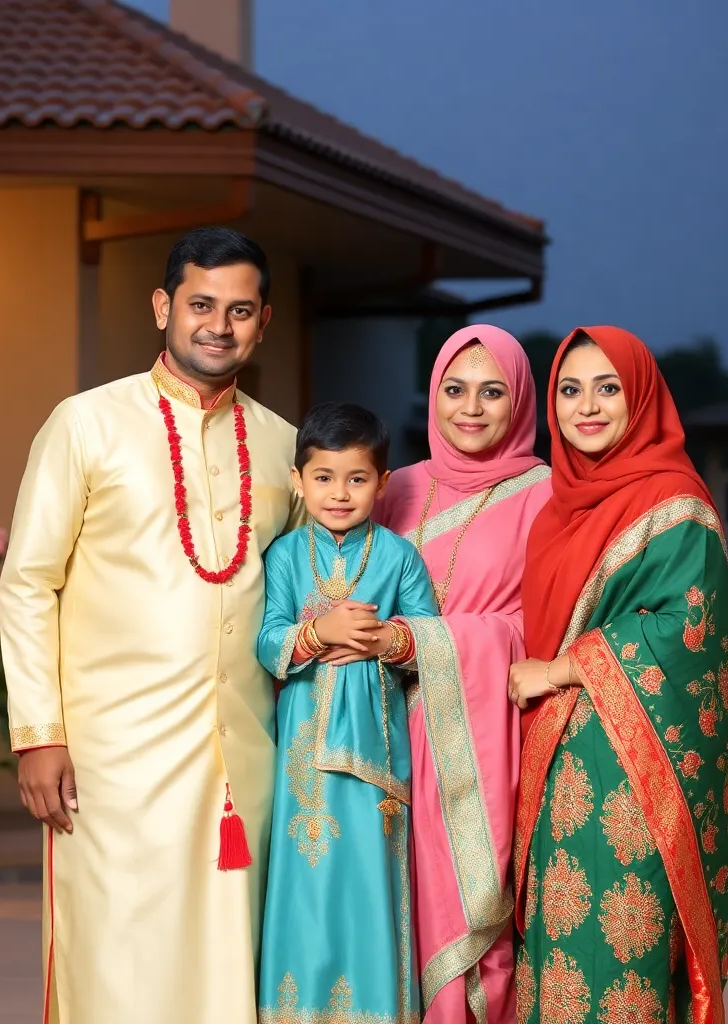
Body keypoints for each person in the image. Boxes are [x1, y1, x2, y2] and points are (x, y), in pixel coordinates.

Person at [0, 227, 304, 1023]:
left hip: (242, 765)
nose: (219, 325)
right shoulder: (85, 424)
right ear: (163, 306)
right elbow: (29, 583)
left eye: (240, 310)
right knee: (118, 967)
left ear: (263, 321)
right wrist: (40, 734)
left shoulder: (281, 445)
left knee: (230, 968)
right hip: (109, 768)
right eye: (201, 304)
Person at [510, 327, 728, 1024]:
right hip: (550, 766)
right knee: (553, 950)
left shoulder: (674, 501)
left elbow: (686, 627)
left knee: (622, 951)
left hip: (636, 765)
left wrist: (561, 669)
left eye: (608, 388)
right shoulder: (555, 507)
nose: (588, 406)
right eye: (570, 390)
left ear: (640, 397)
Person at [376, 325, 553, 1024]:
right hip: (380, 728)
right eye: (454, 389)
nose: (470, 408)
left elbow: (543, 627)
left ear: (520, 403)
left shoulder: (545, 495)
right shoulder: (394, 485)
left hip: (474, 741)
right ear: (433, 396)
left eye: (492, 392)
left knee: (468, 928)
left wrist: (421, 642)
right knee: (383, 913)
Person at [257, 403, 438, 1023]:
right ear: (298, 481)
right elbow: (267, 640)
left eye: (357, 479)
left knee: (368, 880)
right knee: (306, 879)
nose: (340, 493)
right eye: (324, 477)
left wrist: (387, 640)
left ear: (383, 484)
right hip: (302, 757)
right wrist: (316, 634)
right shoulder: (283, 556)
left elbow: (429, 639)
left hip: (378, 754)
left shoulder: (398, 557)